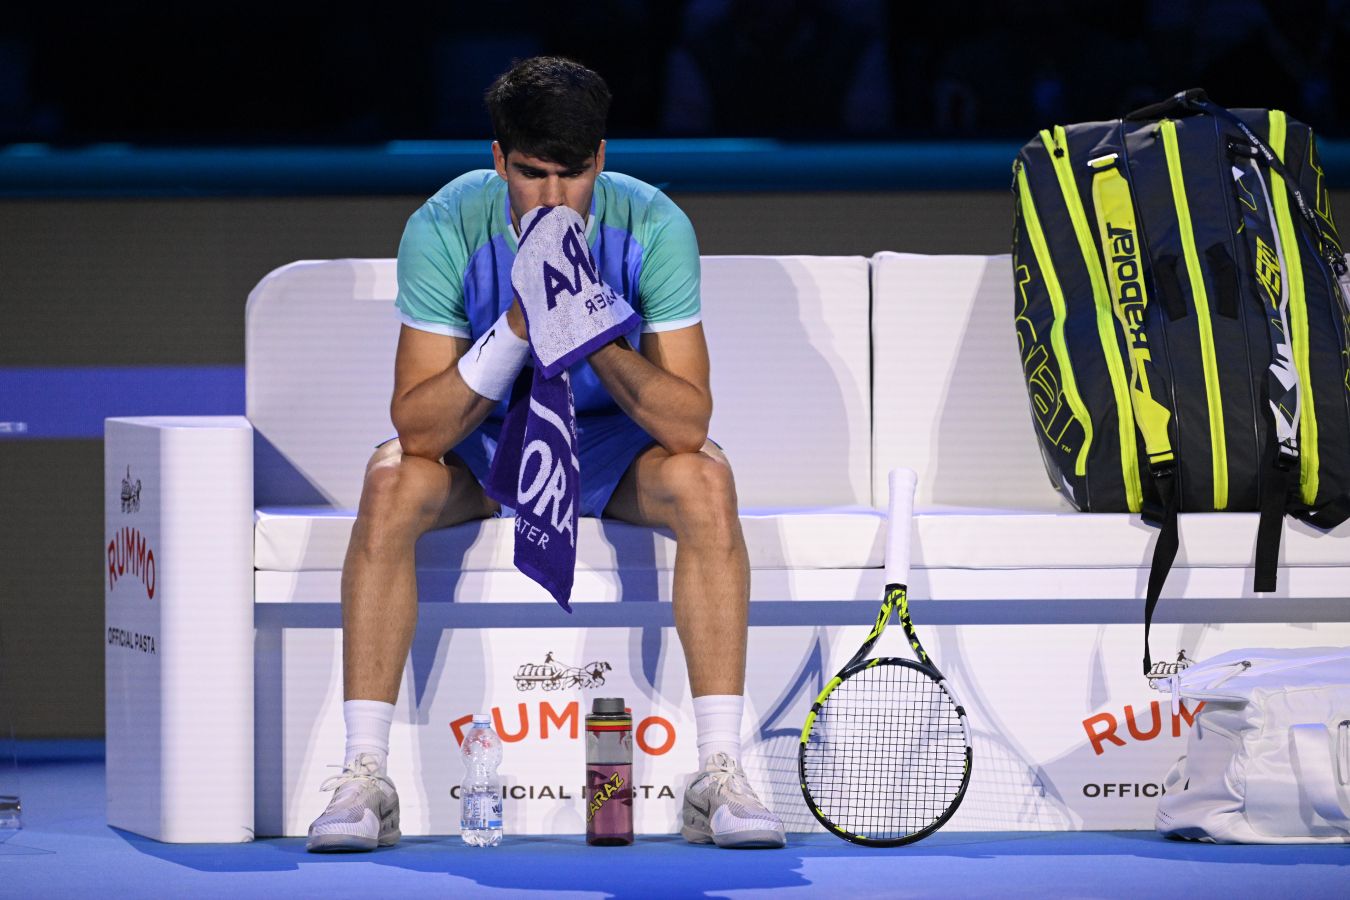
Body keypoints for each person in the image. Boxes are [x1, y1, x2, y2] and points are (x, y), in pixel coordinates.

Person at [306, 56, 785, 852]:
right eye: (532, 174)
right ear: (499, 160)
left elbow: (687, 423)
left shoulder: (654, 225)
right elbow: (419, 427)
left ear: (601, 159)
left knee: (706, 480)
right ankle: (365, 777)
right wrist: (521, 326)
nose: (554, 199)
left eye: (573, 174)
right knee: (389, 481)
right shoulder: (445, 224)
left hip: (607, 450)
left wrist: (589, 328)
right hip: (486, 447)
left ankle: (719, 773)